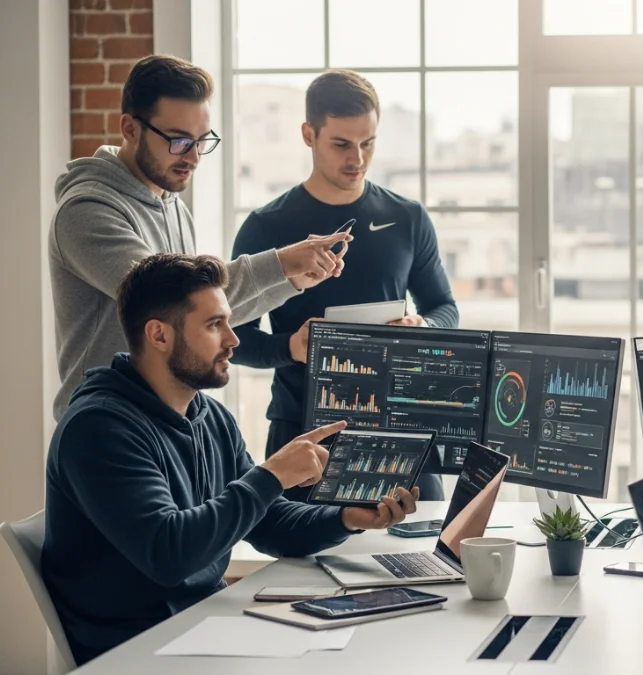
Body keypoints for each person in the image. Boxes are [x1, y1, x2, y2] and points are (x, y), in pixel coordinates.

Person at [42, 254, 419, 665]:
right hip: (138, 650)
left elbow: (269, 523)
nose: (233, 340)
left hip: (203, 626)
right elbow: (169, 555)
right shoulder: (99, 428)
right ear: (159, 335)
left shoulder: (208, 417)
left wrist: (346, 517)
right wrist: (271, 474)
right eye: (214, 325)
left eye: (228, 321)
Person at [48, 54, 351, 421]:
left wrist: (288, 281)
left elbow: (198, 322)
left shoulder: (173, 206)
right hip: (105, 424)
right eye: (178, 141)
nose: (193, 157)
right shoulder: (87, 210)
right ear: (130, 129)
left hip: (165, 419)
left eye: (201, 141)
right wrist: (281, 263)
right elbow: (173, 300)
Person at [230, 70, 456, 501]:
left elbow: (444, 305)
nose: (357, 158)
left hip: (402, 427)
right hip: (302, 432)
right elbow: (233, 338)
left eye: (367, 143)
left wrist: (422, 325)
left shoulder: (408, 218)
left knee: (426, 560)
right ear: (308, 134)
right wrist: (289, 348)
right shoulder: (267, 226)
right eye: (341, 144)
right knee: (300, 564)